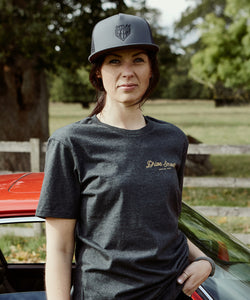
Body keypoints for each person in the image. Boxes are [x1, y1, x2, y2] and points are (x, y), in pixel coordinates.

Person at [36, 13, 215, 300]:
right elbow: (59, 249)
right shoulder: (70, 143)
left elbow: (167, 220)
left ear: (151, 70)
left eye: (138, 60)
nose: (127, 71)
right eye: (114, 61)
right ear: (98, 72)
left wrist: (205, 261)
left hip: (171, 293)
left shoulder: (173, 139)